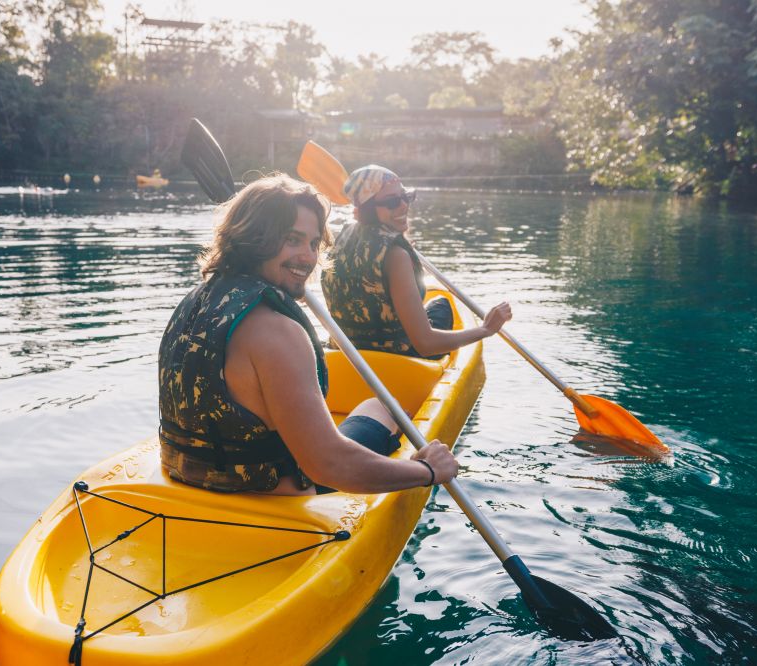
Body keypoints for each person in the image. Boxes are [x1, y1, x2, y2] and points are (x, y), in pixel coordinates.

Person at [158, 174, 459, 495]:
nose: (308, 257)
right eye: (292, 239)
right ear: (256, 238)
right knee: (379, 407)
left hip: (186, 473)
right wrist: (426, 470)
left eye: (313, 243)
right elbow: (329, 466)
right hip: (274, 490)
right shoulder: (277, 331)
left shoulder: (195, 300)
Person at [321, 165, 512, 359]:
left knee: (436, 304)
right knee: (442, 306)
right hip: (398, 360)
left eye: (407, 197)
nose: (404, 206)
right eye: (393, 202)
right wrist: (486, 330)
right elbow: (425, 344)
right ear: (368, 209)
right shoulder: (396, 255)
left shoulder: (345, 236)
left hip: (346, 353)